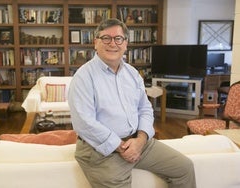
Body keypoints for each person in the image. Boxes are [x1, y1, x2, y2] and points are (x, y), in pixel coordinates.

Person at [68, 18, 196, 188]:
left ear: (126, 43)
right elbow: (83, 123)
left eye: (118, 38)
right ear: (95, 42)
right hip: (100, 150)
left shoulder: (133, 73)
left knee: (184, 168)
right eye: (106, 38)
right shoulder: (83, 77)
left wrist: (141, 139)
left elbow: (145, 108)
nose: (112, 43)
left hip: (139, 143)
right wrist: (121, 147)